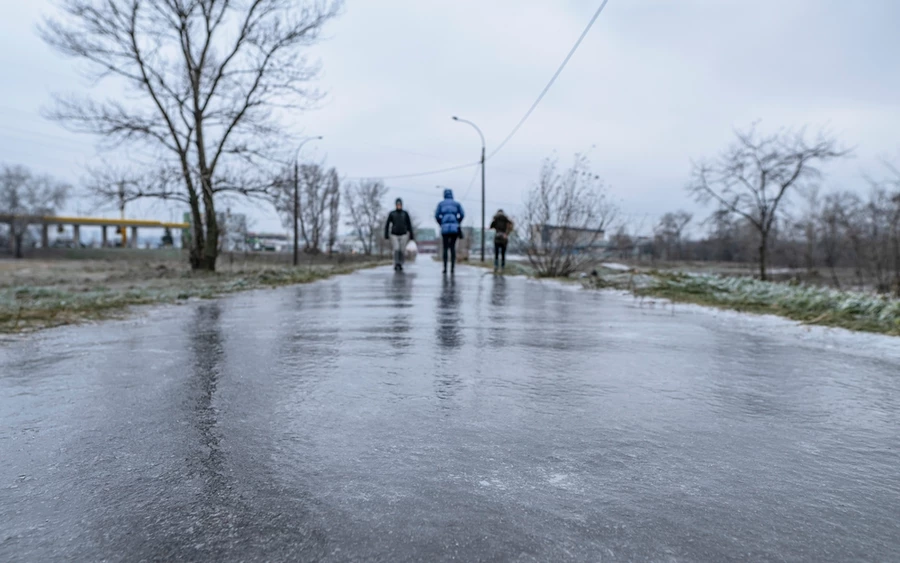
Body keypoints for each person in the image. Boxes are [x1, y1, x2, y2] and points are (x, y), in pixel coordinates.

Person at [435, 188, 464, 275]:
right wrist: (457, 221)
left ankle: (445, 268)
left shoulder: (441, 204)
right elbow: (462, 214)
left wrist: (441, 223)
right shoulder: (457, 204)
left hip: (445, 229)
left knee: (445, 248)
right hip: (454, 229)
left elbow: (436, 215)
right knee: (452, 248)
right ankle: (452, 268)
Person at [385, 198, 414, 271]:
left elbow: (409, 224)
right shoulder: (392, 213)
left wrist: (411, 235)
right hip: (394, 234)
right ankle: (396, 263)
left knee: (402, 250)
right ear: (396, 205)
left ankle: (401, 263)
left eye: (400, 205)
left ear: (401, 205)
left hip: (403, 234)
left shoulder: (405, 213)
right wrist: (386, 234)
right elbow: (387, 224)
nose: (399, 206)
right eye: (397, 205)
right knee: (396, 249)